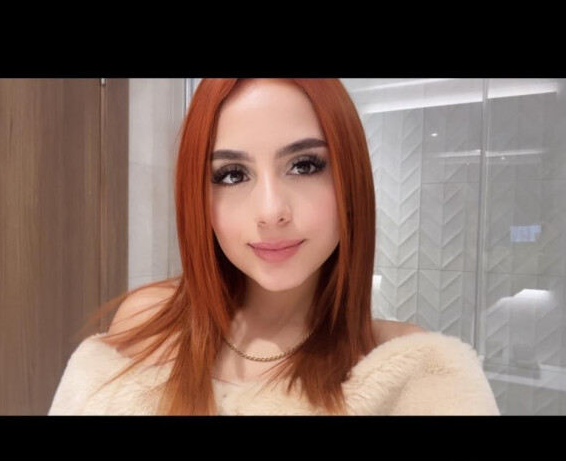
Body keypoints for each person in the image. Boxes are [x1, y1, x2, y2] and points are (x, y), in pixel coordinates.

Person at [48, 78, 500, 415]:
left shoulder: (412, 372)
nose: (270, 211)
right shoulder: (151, 321)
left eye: (304, 166)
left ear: (350, 180)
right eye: (232, 174)